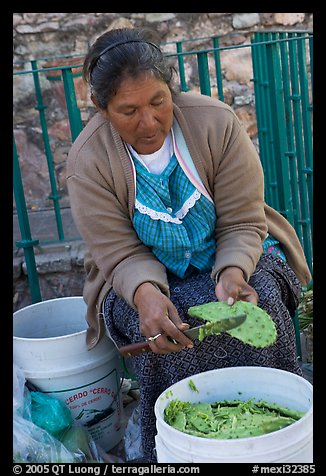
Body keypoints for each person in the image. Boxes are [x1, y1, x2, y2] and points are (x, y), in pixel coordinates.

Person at [66, 27, 312, 462]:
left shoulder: (215, 123)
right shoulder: (89, 162)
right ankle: (182, 446)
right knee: (169, 334)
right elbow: (119, 253)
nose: (149, 122)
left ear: (171, 89)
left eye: (158, 101)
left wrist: (234, 272)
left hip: (232, 254)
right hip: (135, 280)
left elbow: (242, 219)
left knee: (264, 301)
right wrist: (146, 297)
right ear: (102, 108)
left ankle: (279, 434)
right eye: (128, 110)